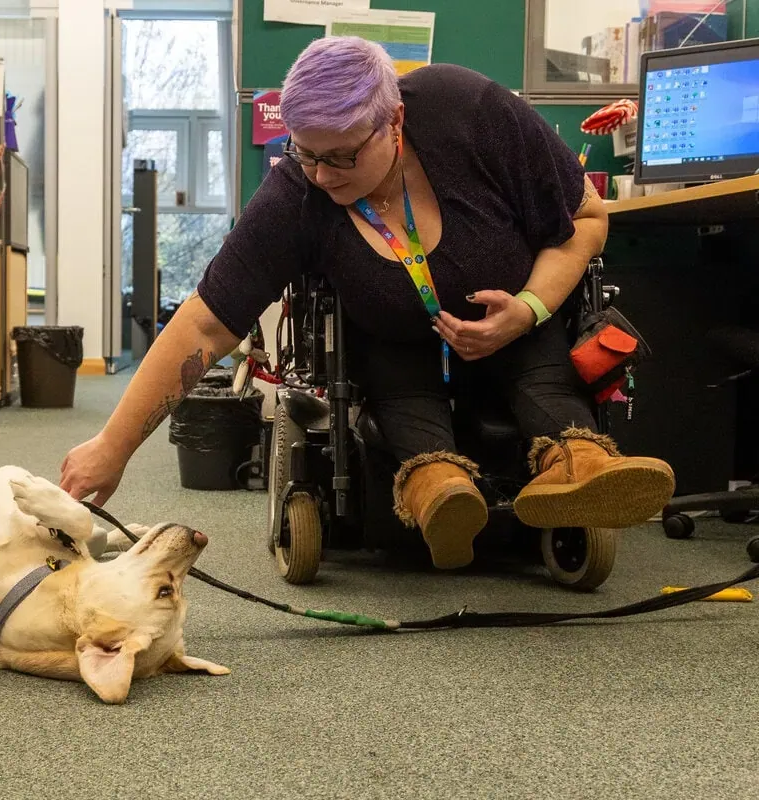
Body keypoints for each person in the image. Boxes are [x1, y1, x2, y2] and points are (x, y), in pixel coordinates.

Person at [60, 37, 675, 570]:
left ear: (396, 121)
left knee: (544, 381)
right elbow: (208, 320)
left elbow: (586, 218)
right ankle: (440, 492)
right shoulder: (295, 194)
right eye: (305, 152)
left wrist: (531, 308)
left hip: (519, 321)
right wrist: (110, 450)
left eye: (343, 156)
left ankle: (584, 467)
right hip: (394, 347)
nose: (322, 176)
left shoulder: (474, 112)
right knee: (397, 380)